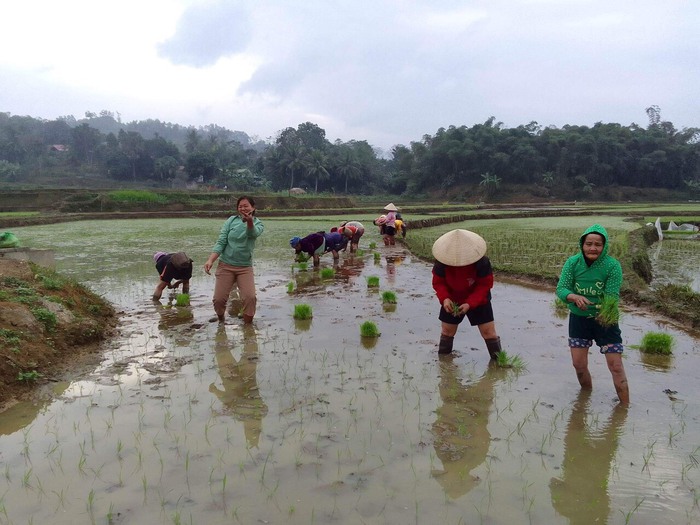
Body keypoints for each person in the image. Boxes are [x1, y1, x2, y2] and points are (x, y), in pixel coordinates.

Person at [555, 224, 629, 405]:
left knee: (616, 366)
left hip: (605, 319)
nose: (593, 248)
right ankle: (585, 399)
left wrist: (603, 312)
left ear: (604, 247)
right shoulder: (573, 263)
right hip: (579, 320)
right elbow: (561, 288)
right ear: (582, 244)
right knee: (579, 365)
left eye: (597, 244)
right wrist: (573, 297)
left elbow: (612, 295)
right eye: (589, 244)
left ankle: (625, 409)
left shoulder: (612, 266)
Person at [431, 229, 503, 359]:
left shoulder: (481, 262)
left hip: (479, 299)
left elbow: (484, 285)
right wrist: (445, 299)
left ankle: (499, 363)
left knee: (489, 333)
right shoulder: (441, 262)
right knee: (447, 332)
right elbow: (438, 283)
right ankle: (444, 366)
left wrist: (470, 303)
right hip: (452, 300)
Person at [203, 196, 264, 324]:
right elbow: (221, 242)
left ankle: (248, 327)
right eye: (240, 206)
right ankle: (221, 320)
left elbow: (252, 234)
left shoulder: (258, 223)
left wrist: (249, 222)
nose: (243, 208)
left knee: (250, 297)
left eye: (246, 206)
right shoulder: (231, 221)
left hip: (244, 267)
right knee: (218, 300)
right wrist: (210, 260)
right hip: (226, 265)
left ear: (253, 208)